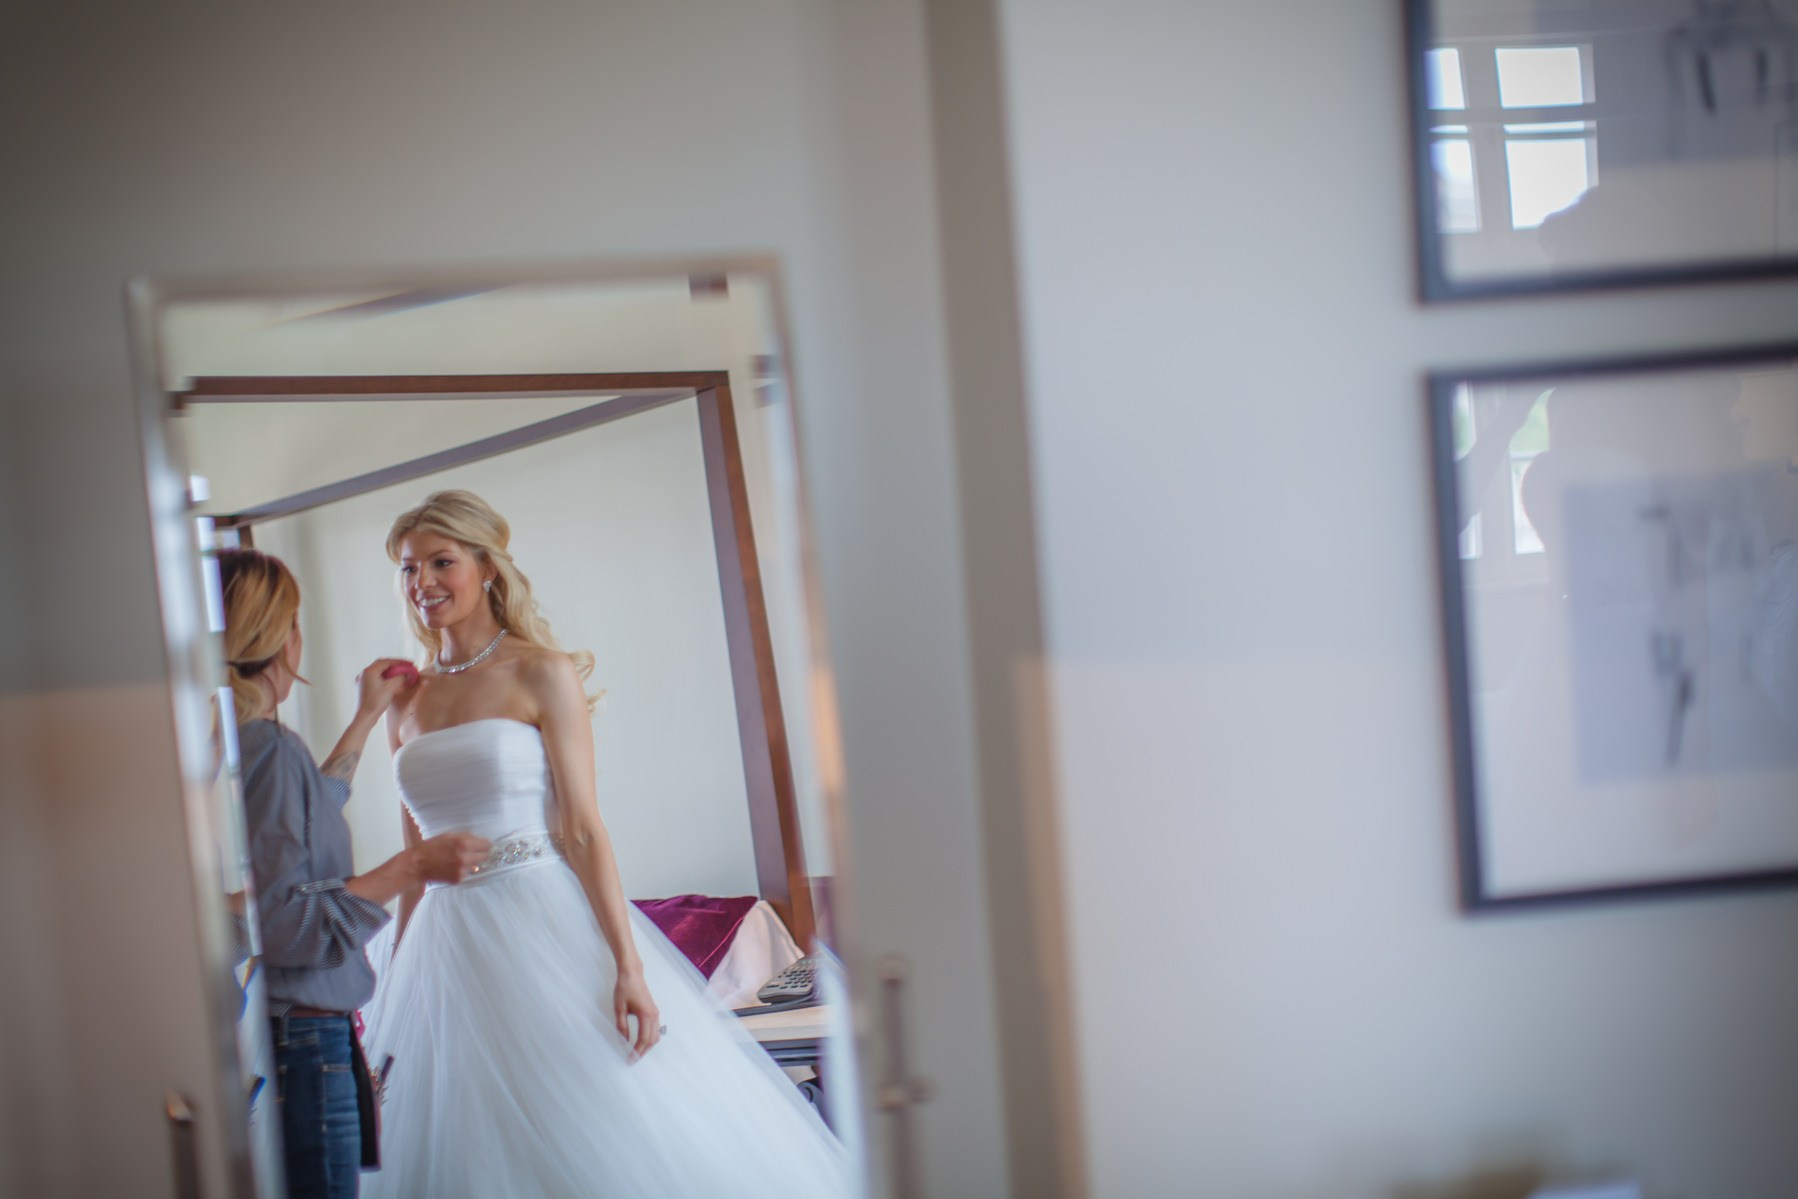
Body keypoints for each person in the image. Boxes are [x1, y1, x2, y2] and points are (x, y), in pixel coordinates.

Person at [358, 490, 851, 1198]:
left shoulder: (540, 671)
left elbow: (582, 826)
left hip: (538, 917)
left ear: (488, 568)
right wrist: (396, 977)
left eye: (442, 562)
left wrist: (628, 964)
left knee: (594, 1113)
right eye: (409, 568)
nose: (423, 583)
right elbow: (414, 856)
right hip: (443, 938)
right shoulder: (403, 696)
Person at [218, 549, 492, 1199]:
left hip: (289, 1030)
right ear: (287, 636)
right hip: (308, 1038)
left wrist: (366, 718)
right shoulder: (272, 749)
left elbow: (305, 811)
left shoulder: (247, 742)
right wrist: (411, 867)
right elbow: (290, 919)